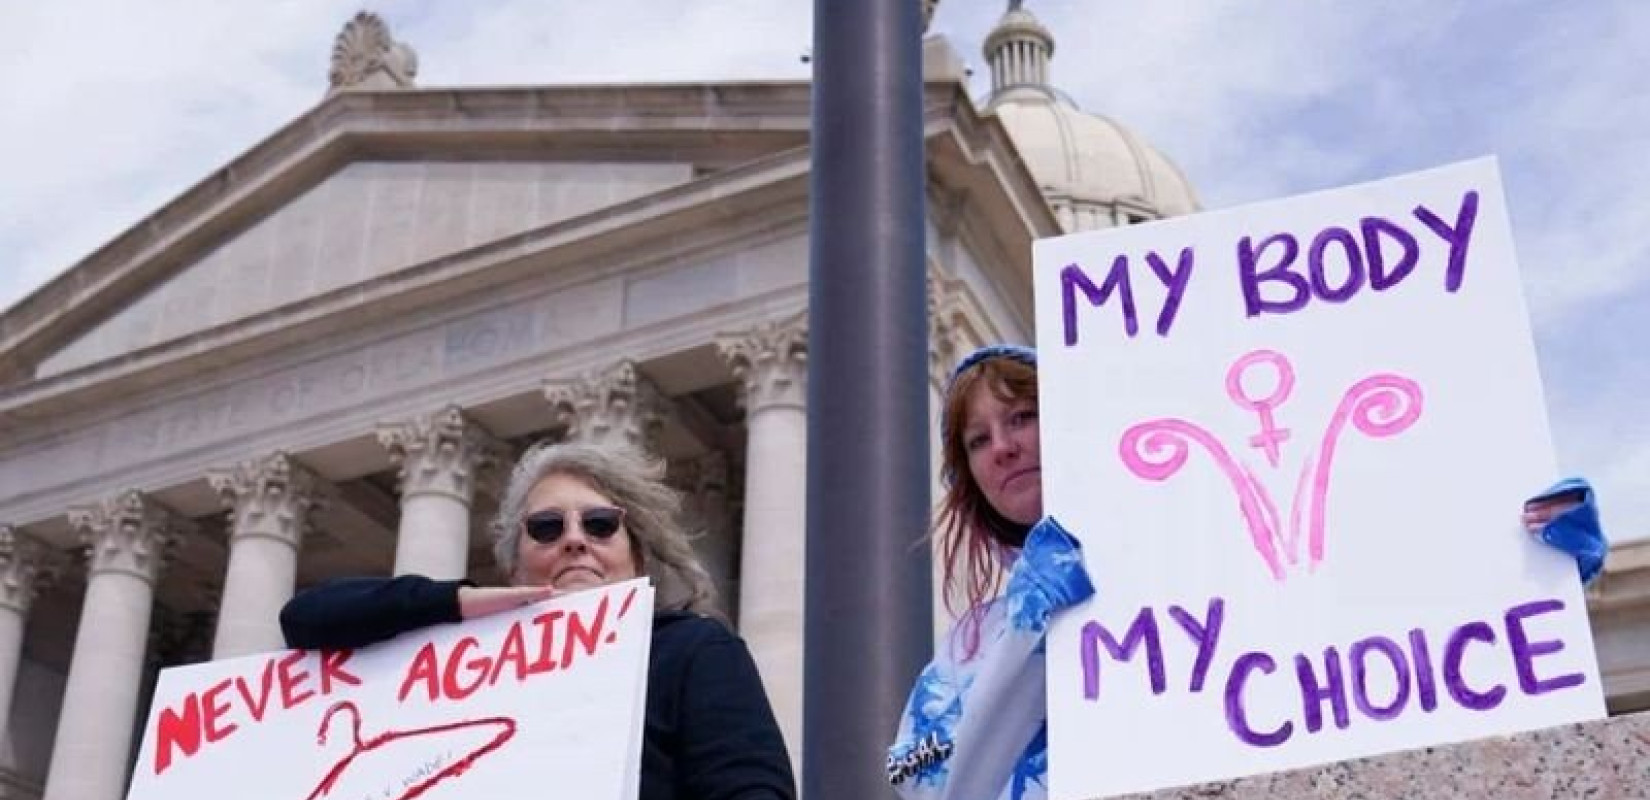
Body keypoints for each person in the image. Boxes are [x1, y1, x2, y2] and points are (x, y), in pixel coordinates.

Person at [885, 344, 1607, 800]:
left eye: (1023, 418)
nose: (1003, 449)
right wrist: (1026, 638)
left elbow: (1378, 635)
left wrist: (1533, 563)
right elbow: (929, 785)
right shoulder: (965, 652)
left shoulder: (1203, 550)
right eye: (979, 440)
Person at [282, 441, 796, 800]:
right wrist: (456, 602)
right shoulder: (469, 664)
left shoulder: (688, 650)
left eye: (600, 524)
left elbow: (749, 788)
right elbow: (305, 620)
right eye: (546, 528)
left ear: (637, 556)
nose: (575, 539)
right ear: (514, 562)